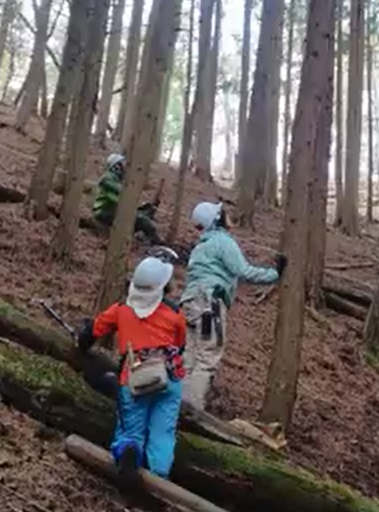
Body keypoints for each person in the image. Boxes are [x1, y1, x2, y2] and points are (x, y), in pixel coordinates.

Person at [76, 256, 187, 482]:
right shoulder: (175, 313)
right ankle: (159, 476)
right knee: (163, 432)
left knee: (130, 428)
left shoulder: (121, 309)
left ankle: (128, 452)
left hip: (134, 377)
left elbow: (94, 330)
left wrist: (82, 343)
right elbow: (180, 344)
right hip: (168, 376)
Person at [180, 201, 285, 410]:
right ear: (217, 219)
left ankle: (178, 405)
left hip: (190, 304)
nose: (228, 215)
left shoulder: (201, 246)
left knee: (189, 356)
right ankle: (191, 410)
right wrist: (275, 273)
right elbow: (243, 271)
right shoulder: (223, 241)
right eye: (223, 213)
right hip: (209, 304)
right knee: (207, 356)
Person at [93, 153, 162, 244]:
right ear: (116, 166)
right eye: (122, 164)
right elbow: (122, 193)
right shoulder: (107, 178)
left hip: (113, 209)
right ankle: (157, 243)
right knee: (142, 220)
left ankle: (146, 238)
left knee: (145, 213)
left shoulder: (117, 179)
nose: (125, 167)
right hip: (104, 211)